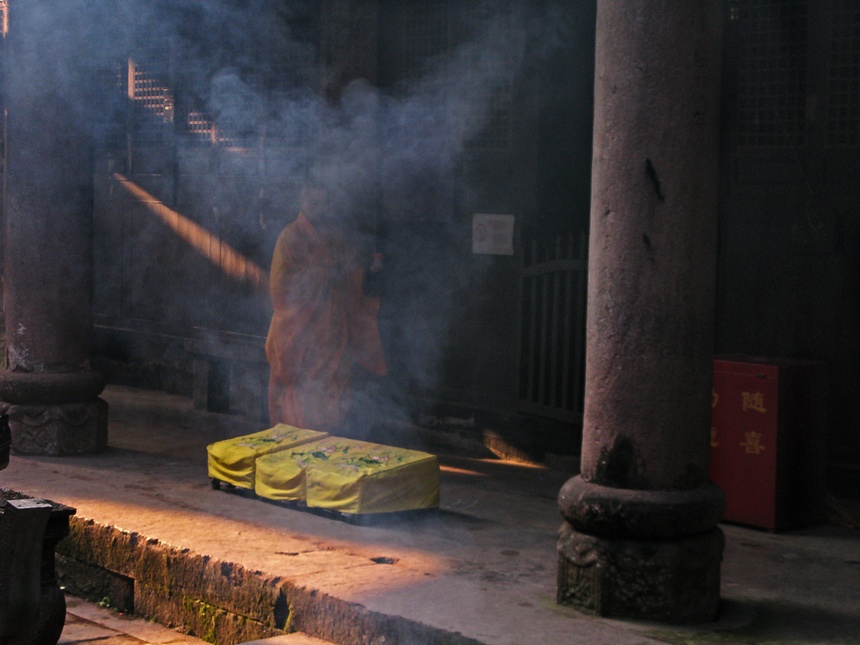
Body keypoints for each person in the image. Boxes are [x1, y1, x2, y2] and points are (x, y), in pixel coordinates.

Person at [265, 176, 387, 431]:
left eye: (323, 203)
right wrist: (321, 275)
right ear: (302, 200)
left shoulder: (334, 237)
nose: (318, 207)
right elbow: (280, 286)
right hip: (301, 331)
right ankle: (298, 441)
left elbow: (350, 270)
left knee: (334, 388)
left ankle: (330, 441)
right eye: (313, 201)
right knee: (302, 390)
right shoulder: (290, 237)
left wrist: (367, 270)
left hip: (332, 328)